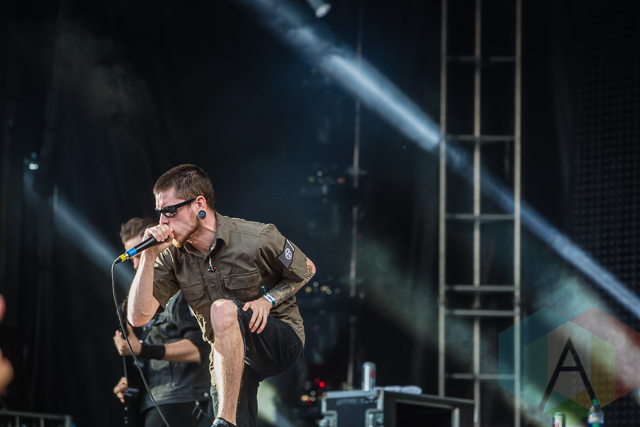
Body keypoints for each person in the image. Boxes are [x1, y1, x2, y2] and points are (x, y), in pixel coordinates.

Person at [127, 164, 316, 427]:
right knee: (222, 334)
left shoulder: (256, 237)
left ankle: (224, 422)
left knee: (222, 309)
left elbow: (307, 268)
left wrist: (267, 300)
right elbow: (137, 317)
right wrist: (148, 256)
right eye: (160, 212)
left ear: (199, 204)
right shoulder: (171, 257)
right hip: (229, 355)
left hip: (279, 337)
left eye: (169, 211)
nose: (162, 222)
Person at [113, 217, 214, 427]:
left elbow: (197, 349)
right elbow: (157, 351)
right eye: (133, 258)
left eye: (140, 255)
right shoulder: (147, 300)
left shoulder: (183, 288)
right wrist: (134, 383)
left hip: (182, 400)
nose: (136, 264)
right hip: (154, 400)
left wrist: (141, 349)